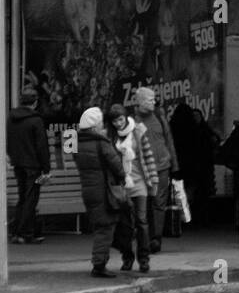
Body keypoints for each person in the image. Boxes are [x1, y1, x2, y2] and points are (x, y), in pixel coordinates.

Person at [73, 107, 125, 278]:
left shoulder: (74, 140)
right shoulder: (102, 142)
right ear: (96, 126)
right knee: (105, 227)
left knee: (100, 226)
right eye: (101, 124)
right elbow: (117, 166)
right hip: (103, 190)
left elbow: (71, 155)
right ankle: (99, 264)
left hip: (87, 189)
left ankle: (102, 259)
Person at [108, 103, 157, 273]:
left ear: (125, 117)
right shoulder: (111, 137)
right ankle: (127, 257)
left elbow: (149, 157)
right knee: (125, 225)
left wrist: (154, 181)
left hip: (140, 183)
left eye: (120, 119)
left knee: (142, 222)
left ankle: (144, 259)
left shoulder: (138, 132)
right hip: (122, 186)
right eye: (114, 121)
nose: (118, 123)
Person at [131, 86, 179, 254]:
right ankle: (144, 236)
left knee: (159, 203)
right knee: (144, 203)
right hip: (142, 169)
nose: (154, 102)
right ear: (141, 102)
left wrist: (175, 165)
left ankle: (156, 238)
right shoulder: (132, 120)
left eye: (154, 99)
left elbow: (169, 139)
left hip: (162, 166)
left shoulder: (159, 115)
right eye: (150, 99)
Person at [7, 86, 51, 244]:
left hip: (18, 164)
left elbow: (8, 141)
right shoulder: (36, 120)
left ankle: (16, 232)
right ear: (35, 102)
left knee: (22, 197)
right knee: (31, 198)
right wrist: (46, 169)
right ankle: (26, 232)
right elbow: (42, 147)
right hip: (34, 167)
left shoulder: (11, 119)